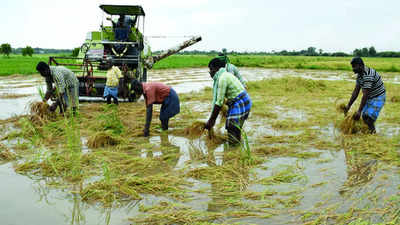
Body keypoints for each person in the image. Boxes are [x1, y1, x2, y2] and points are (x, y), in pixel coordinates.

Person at [204, 58, 252, 144]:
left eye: (211, 69)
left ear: (216, 68)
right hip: (244, 101)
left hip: (241, 103)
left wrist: (211, 120)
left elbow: (219, 102)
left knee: (231, 127)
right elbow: (226, 97)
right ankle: (238, 149)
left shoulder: (222, 78)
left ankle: (233, 151)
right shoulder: (225, 75)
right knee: (236, 128)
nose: (210, 72)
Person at [344, 57, 386, 134]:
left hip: (378, 97)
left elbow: (365, 95)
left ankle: (373, 135)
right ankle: (369, 132)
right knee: (364, 117)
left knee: (368, 118)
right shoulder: (360, 75)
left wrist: (359, 111)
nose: (353, 69)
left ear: (360, 66)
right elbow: (356, 92)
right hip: (370, 96)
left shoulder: (368, 75)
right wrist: (348, 106)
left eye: (354, 67)